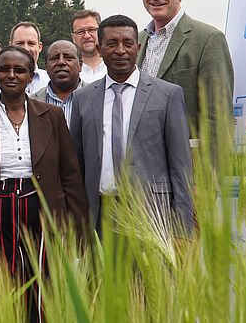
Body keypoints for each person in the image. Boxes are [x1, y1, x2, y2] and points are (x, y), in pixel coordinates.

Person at [0, 45, 88, 321]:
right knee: (3, 283)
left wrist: (79, 231)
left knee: (44, 282)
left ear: (31, 75)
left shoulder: (51, 117)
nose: (11, 75)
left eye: (20, 70)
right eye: (4, 69)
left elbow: (70, 175)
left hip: (40, 206)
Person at [69, 15, 194, 234]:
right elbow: (77, 166)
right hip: (100, 215)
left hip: (152, 215)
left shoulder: (167, 95)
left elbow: (181, 166)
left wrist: (182, 228)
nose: (120, 51)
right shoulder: (83, 99)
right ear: (99, 48)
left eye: (127, 44)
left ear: (138, 47)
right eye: (111, 44)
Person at [136, 0, 234, 146]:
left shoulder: (208, 39)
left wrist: (210, 173)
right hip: (140, 166)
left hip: (188, 167)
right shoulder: (137, 41)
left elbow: (219, 118)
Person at [0, 22, 50, 93]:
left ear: (40, 47)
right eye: (20, 43)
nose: (26, 48)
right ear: (10, 45)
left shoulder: (49, 81)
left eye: (31, 43)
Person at [31, 40, 83, 127]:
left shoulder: (97, 97)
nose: (61, 62)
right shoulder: (32, 102)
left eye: (68, 57)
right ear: (46, 67)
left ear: (80, 65)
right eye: (55, 58)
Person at [71, 10, 107, 84]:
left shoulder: (114, 67)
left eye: (92, 30)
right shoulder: (68, 72)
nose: (87, 36)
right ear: (73, 37)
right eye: (80, 32)